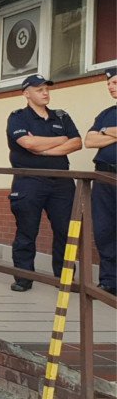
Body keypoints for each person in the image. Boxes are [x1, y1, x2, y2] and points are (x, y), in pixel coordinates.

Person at [7, 73, 82, 291]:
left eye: (47, 88)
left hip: (61, 182)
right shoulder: (18, 117)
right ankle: (23, 278)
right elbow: (27, 143)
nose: (45, 92)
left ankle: (65, 278)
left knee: (66, 230)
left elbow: (76, 143)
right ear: (26, 93)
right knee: (27, 230)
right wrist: (60, 141)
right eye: (39, 89)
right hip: (30, 180)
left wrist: (44, 150)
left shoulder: (61, 116)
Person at [84, 68, 116, 296]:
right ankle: (110, 281)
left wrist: (105, 134)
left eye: (114, 82)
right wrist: (108, 130)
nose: (110, 87)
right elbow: (89, 140)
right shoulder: (106, 113)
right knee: (105, 229)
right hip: (104, 177)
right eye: (109, 84)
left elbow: (98, 137)